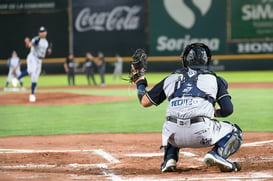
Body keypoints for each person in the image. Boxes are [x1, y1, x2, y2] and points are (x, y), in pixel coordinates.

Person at [130, 43, 242, 173]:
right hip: (202, 134)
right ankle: (217, 153)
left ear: (184, 59)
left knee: (172, 121)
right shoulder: (215, 79)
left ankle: (169, 159)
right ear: (207, 60)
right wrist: (214, 112)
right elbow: (228, 110)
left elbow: (144, 102)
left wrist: (140, 81)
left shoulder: (171, 78)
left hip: (173, 137)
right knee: (235, 131)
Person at [17, 26, 51, 102]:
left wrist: (48, 52)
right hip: (33, 57)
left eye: (43, 32)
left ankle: (32, 93)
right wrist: (27, 42)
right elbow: (29, 45)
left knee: (35, 77)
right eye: (41, 32)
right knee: (31, 70)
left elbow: (45, 53)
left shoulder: (46, 42)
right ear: (39, 33)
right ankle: (18, 78)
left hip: (39, 60)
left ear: (46, 32)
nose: (42, 33)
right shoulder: (37, 39)